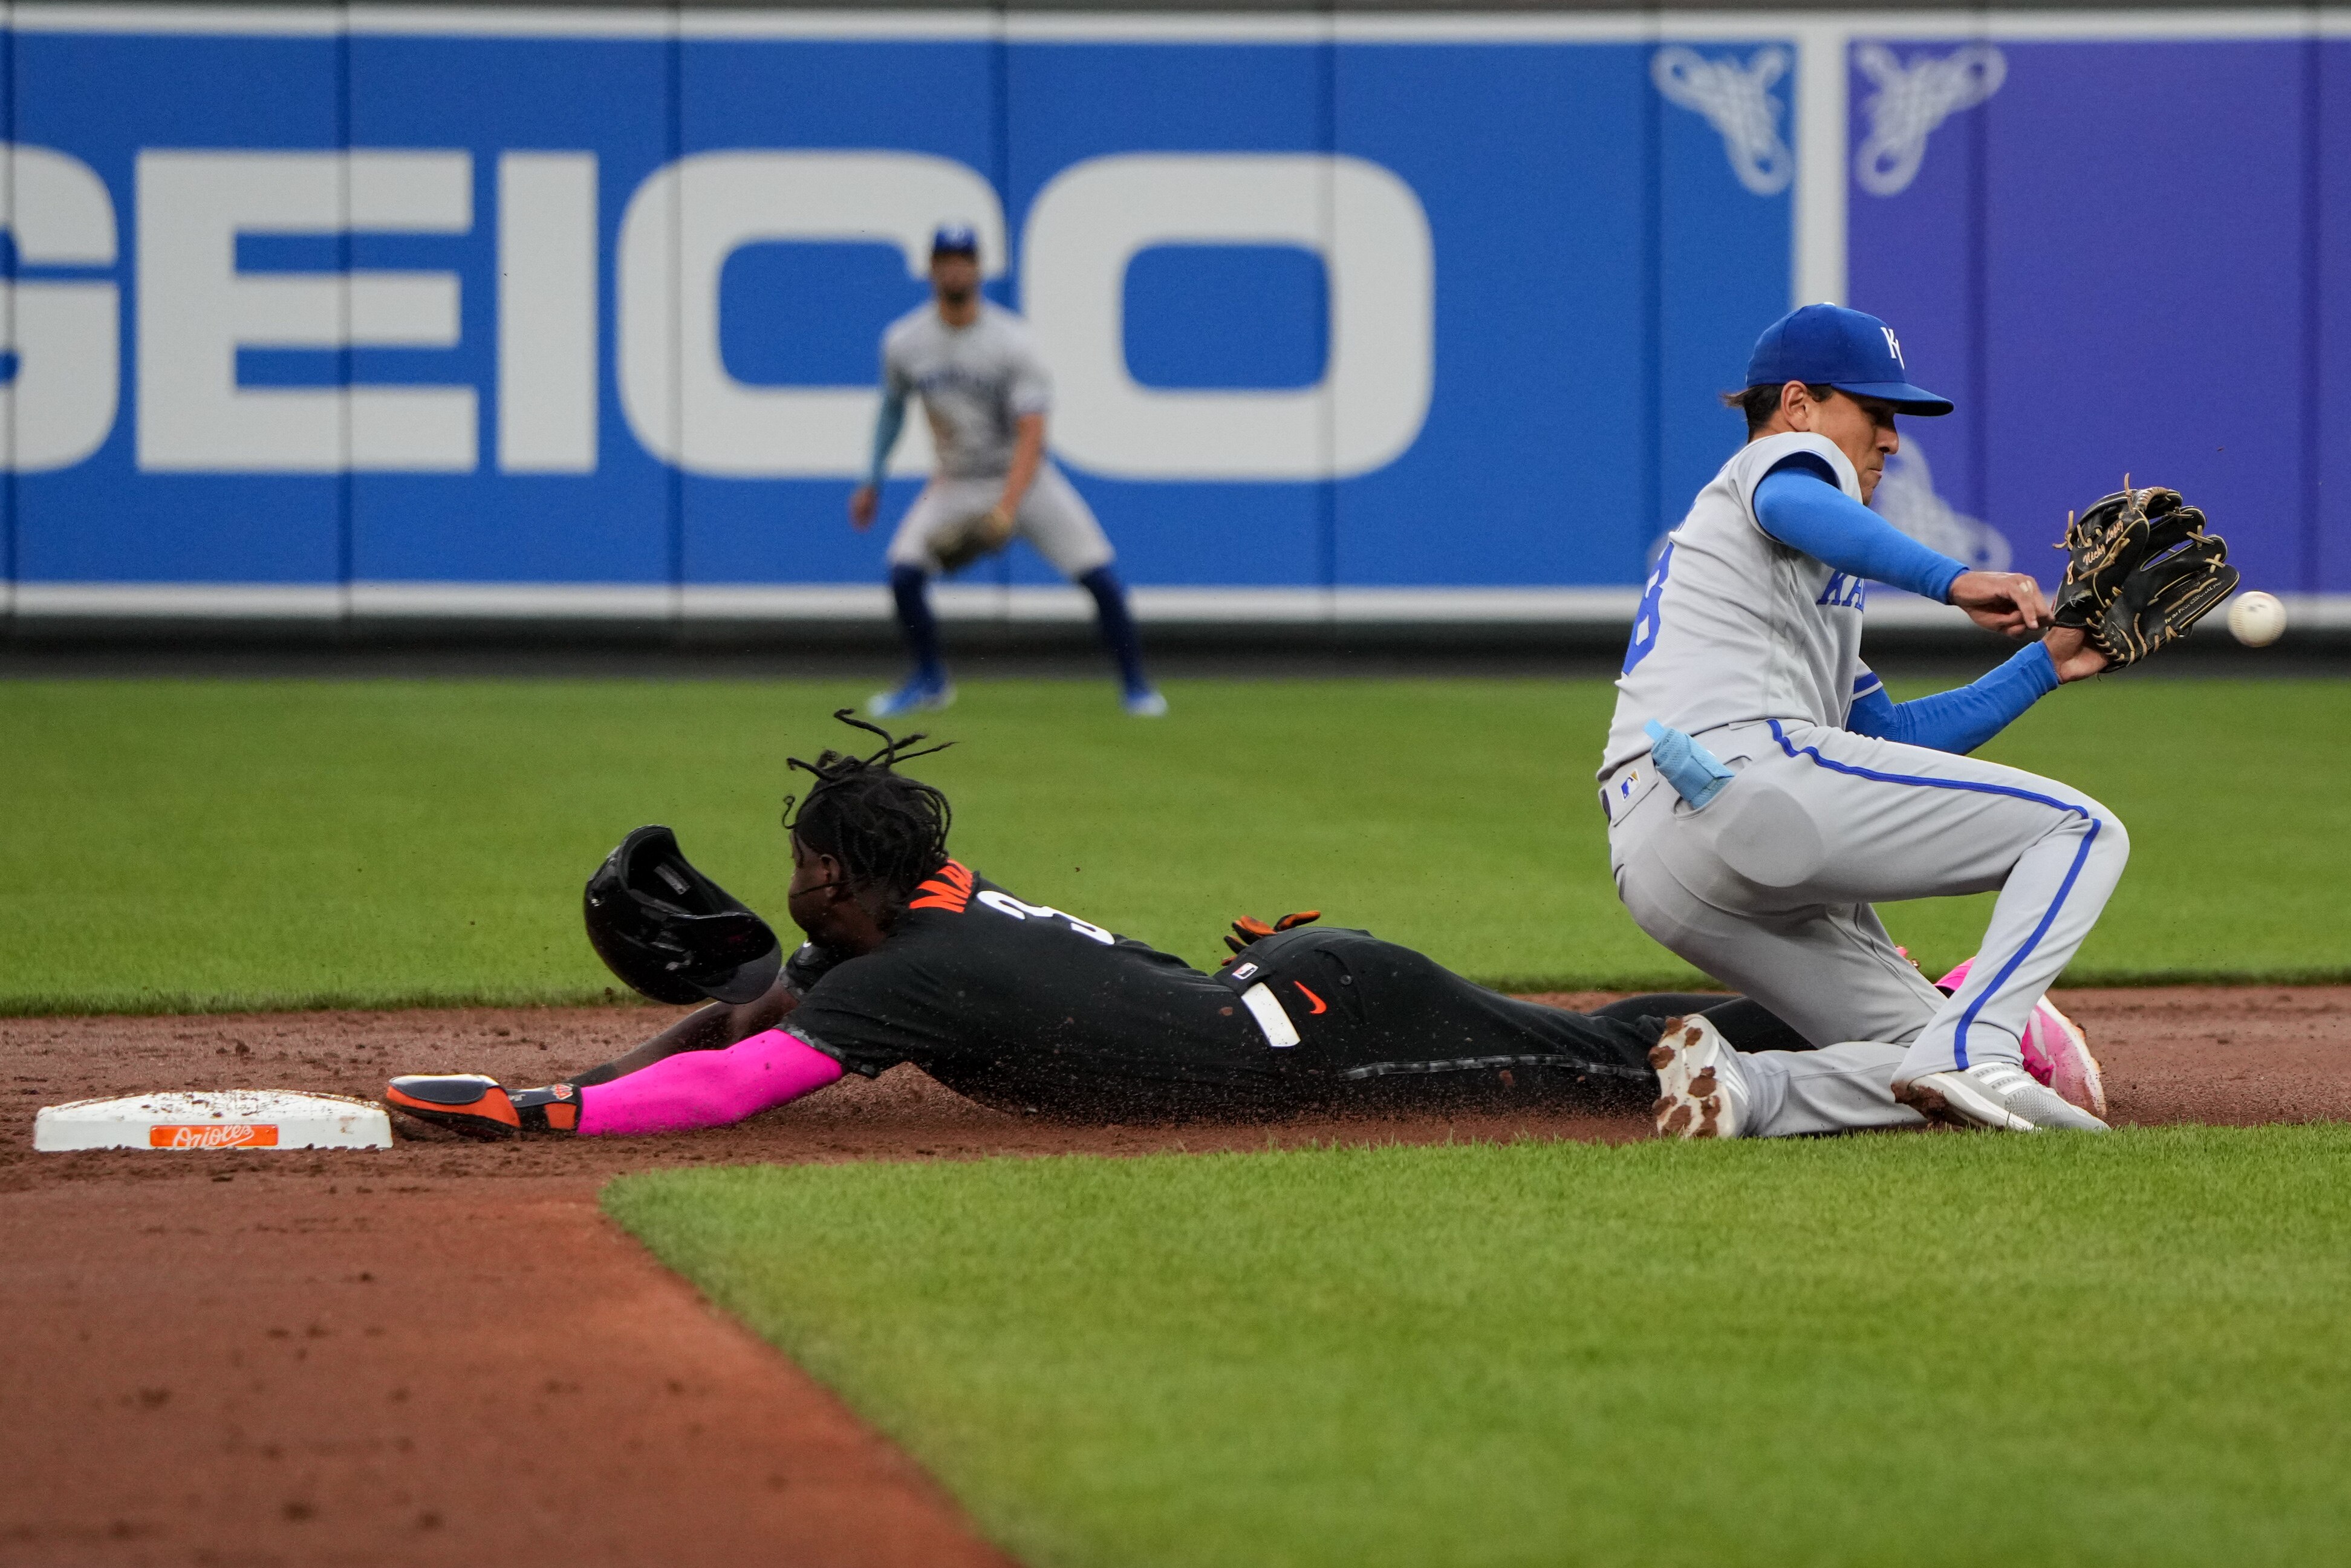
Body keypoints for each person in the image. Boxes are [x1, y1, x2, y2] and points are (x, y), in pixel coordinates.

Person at [383, 715, 2093, 1141]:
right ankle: (1911, 1022)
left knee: (1591, 1074)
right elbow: (762, 1022)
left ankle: (1949, 1031)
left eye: (803, 867)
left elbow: (748, 1081)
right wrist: (661, 1033)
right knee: (1577, 1044)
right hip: (1286, 995)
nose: (794, 886)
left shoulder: (927, 964)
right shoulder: (921, 927)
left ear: (855, 877)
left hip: (1324, 1029)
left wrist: (564, 1108)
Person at [1603, 302, 2125, 1138]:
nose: (1891, 440)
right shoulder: (1777, 468)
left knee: (1927, 1060)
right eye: (1876, 414)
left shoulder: (1783, 589)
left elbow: (1887, 743)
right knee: (2081, 831)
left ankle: (1746, 1089)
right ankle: (1980, 1040)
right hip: (1741, 775)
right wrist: (1951, 580)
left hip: (1666, 862)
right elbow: (1796, 501)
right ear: (1800, 404)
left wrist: (2046, 665)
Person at [850, 224, 1163, 719]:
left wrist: (1007, 507)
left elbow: (1032, 432)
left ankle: (1137, 688)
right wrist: (872, 479)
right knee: (904, 575)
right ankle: (930, 680)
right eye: (945, 259)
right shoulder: (904, 341)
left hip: (1025, 478)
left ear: (978, 268)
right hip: (956, 480)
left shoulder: (1012, 341)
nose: (955, 268)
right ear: (931, 269)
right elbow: (892, 410)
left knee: (1100, 578)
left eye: (964, 259)